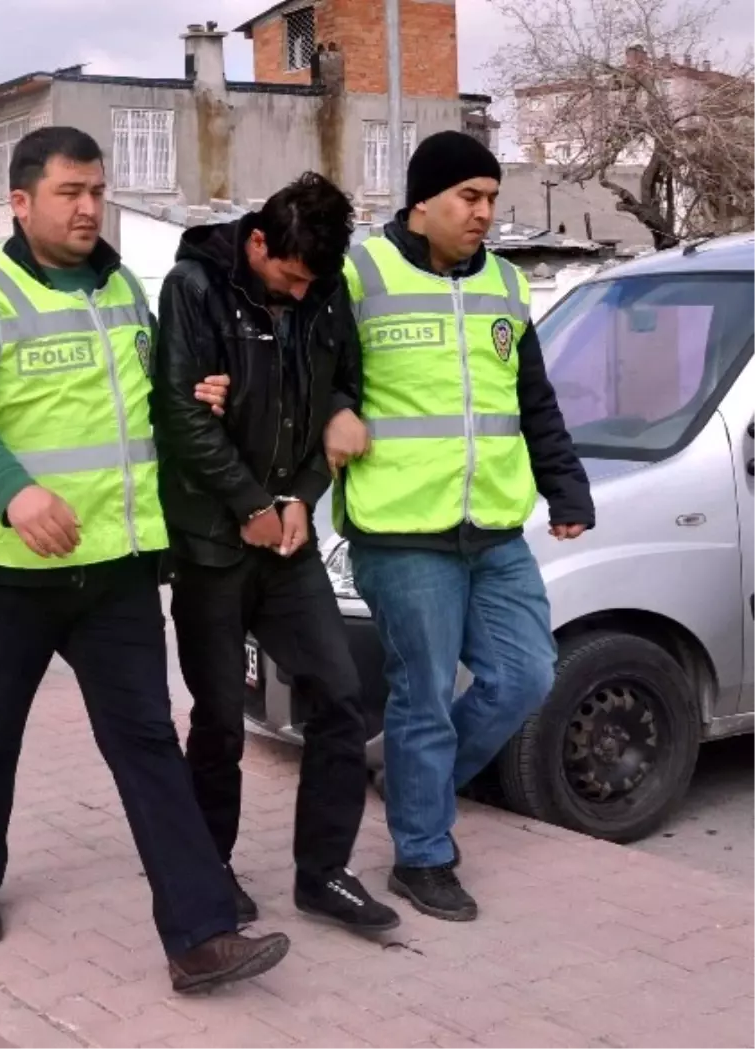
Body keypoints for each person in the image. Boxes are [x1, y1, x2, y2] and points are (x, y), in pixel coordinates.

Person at [0, 125, 289, 993]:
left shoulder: (123, 285)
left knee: (147, 744)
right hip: (7, 566)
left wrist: (198, 391)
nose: (89, 207)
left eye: (96, 190)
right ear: (21, 202)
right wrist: (14, 490)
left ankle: (199, 933)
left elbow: (152, 393)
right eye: (68, 193)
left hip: (115, 565)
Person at [326, 130, 595, 921]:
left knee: (526, 675)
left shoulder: (508, 286)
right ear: (423, 200)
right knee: (424, 696)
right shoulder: (359, 275)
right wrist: (337, 411)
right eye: (469, 198)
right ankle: (422, 853)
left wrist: (566, 490)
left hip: (494, 530)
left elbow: (533, 401)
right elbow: (316, 374)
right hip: (404, 532)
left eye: (491, 199)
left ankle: (417, 783)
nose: (484, 214)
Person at [151, 173, 400, 936]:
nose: (298, 294)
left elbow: (341, 393)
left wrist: (297, 496)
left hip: (287, 538)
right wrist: (249, 505)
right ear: (259, 241)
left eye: (311, 282)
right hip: (212, 544)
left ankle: (323, 871)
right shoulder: (193, 288)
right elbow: (181, 419)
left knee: (340, 697)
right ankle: (209, 873)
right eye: (289, 277)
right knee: (221, 719)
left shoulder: (324, 292)